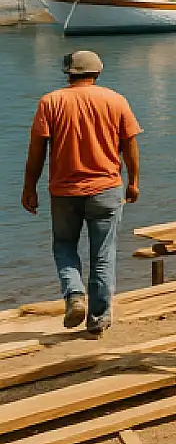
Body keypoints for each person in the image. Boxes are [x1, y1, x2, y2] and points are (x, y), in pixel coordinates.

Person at [21, 50, 141, 336]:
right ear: (97, 73)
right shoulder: (115, 100)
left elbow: (36, 151)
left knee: (64, 245)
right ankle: (98, 318)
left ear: (68, 73)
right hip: (106, 188)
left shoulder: (50, 102)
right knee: (103, 253)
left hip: (64, 191)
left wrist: (29, 187)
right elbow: (130, 145)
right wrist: (134, 180)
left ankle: (74, 294)